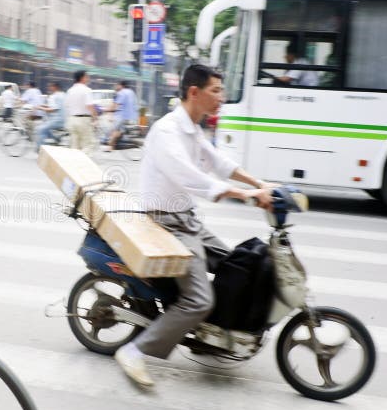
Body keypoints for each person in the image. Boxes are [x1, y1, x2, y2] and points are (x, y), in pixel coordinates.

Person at [114, 64, 275, 388]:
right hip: (165, 224)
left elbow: (219, 163)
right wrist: (245, 195)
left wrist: (260, 183)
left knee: (235, 265)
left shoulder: (192, 128)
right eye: (216, 90)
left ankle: (209, 333)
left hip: (187, 219)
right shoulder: (167, 130)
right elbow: (190, 176)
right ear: (194, 92)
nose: (222, 98)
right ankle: (134, 351)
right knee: (200, 300)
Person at [64, 70, 97, 153]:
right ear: (82, 78)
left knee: (75, 146)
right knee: (89, 144)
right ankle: (83, 162)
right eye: (87, 76)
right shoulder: (86, 90)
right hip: (83, 120)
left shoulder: (70, 90)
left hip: (72, 120)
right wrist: (95, 118)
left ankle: (74, 163)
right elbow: (89, 105)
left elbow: (66, 105)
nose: (88, 78)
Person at [106, 80, 138, 151]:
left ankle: (110, 146)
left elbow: (116, 104)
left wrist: (108, 111)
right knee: (119, 131)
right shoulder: (131, 92)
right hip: (130, 116)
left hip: (121, 115)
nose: (115, 86)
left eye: (117, 85)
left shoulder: (122, 93)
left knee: (115, 130)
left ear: (121, 85)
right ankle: (113, 146)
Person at [35, 81, 66, 151]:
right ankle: (56, 138)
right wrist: (43, 106)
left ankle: (40, 150)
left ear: (55, 87)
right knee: (45, 128)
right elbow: (54, 106)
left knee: (40, 129)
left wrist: (41, 108)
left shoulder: (57, 96)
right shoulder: (62, 94)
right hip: (60, 119)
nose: (49, 88)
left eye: (50, 86)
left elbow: (53, 109)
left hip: (58, 120)